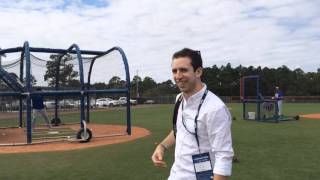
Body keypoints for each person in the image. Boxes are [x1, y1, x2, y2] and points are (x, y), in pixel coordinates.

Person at [151, 48, 234, 180]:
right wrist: (162, 146)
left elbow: (223, 157)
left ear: (198, 72)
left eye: (183, 70)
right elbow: (179, 130)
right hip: (176, 175)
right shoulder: (179, 99)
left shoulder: (215, 108)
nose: (178, 76)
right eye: (174, 71)